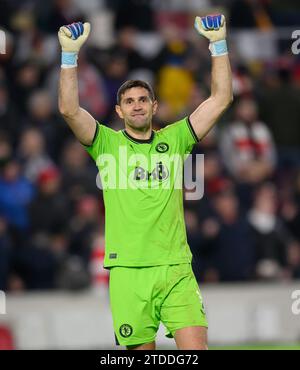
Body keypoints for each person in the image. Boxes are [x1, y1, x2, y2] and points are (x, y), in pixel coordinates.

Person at [57, 15, 232, 350]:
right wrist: (69, 56)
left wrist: (218, 45)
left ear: (154, 106)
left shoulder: (177, 138)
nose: (136, 106)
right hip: (128, 271)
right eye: (129, 101)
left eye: (142, 100)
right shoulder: (105, 143)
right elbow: (69, 110)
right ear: (120, 111)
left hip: (175, 268)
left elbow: (220, 99)